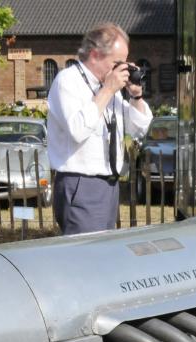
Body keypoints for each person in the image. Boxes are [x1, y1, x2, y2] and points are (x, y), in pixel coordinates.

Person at [47, 21, 152, 234]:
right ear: (95, 55)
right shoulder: (68, 81)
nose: (121, 69)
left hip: (108, 185)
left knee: (102, 257)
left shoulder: (105, 88)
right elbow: (77, 130)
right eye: (117, 62)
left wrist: (136, 95)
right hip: (81, 183)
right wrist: (108, 90)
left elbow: (139, 128)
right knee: (85, 258)